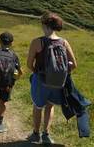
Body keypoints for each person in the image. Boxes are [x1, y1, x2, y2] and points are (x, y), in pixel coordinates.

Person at [26, 12, 77, 144]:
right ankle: (46, 135)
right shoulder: (64, 42)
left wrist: (38, 73)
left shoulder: (37, 42)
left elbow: (29, 64)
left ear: (45, 25)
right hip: (57, 82)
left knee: (38, 107)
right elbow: (74, 64)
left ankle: (35, 134)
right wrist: (60, 73)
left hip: (40, 80)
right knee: (50, 106)